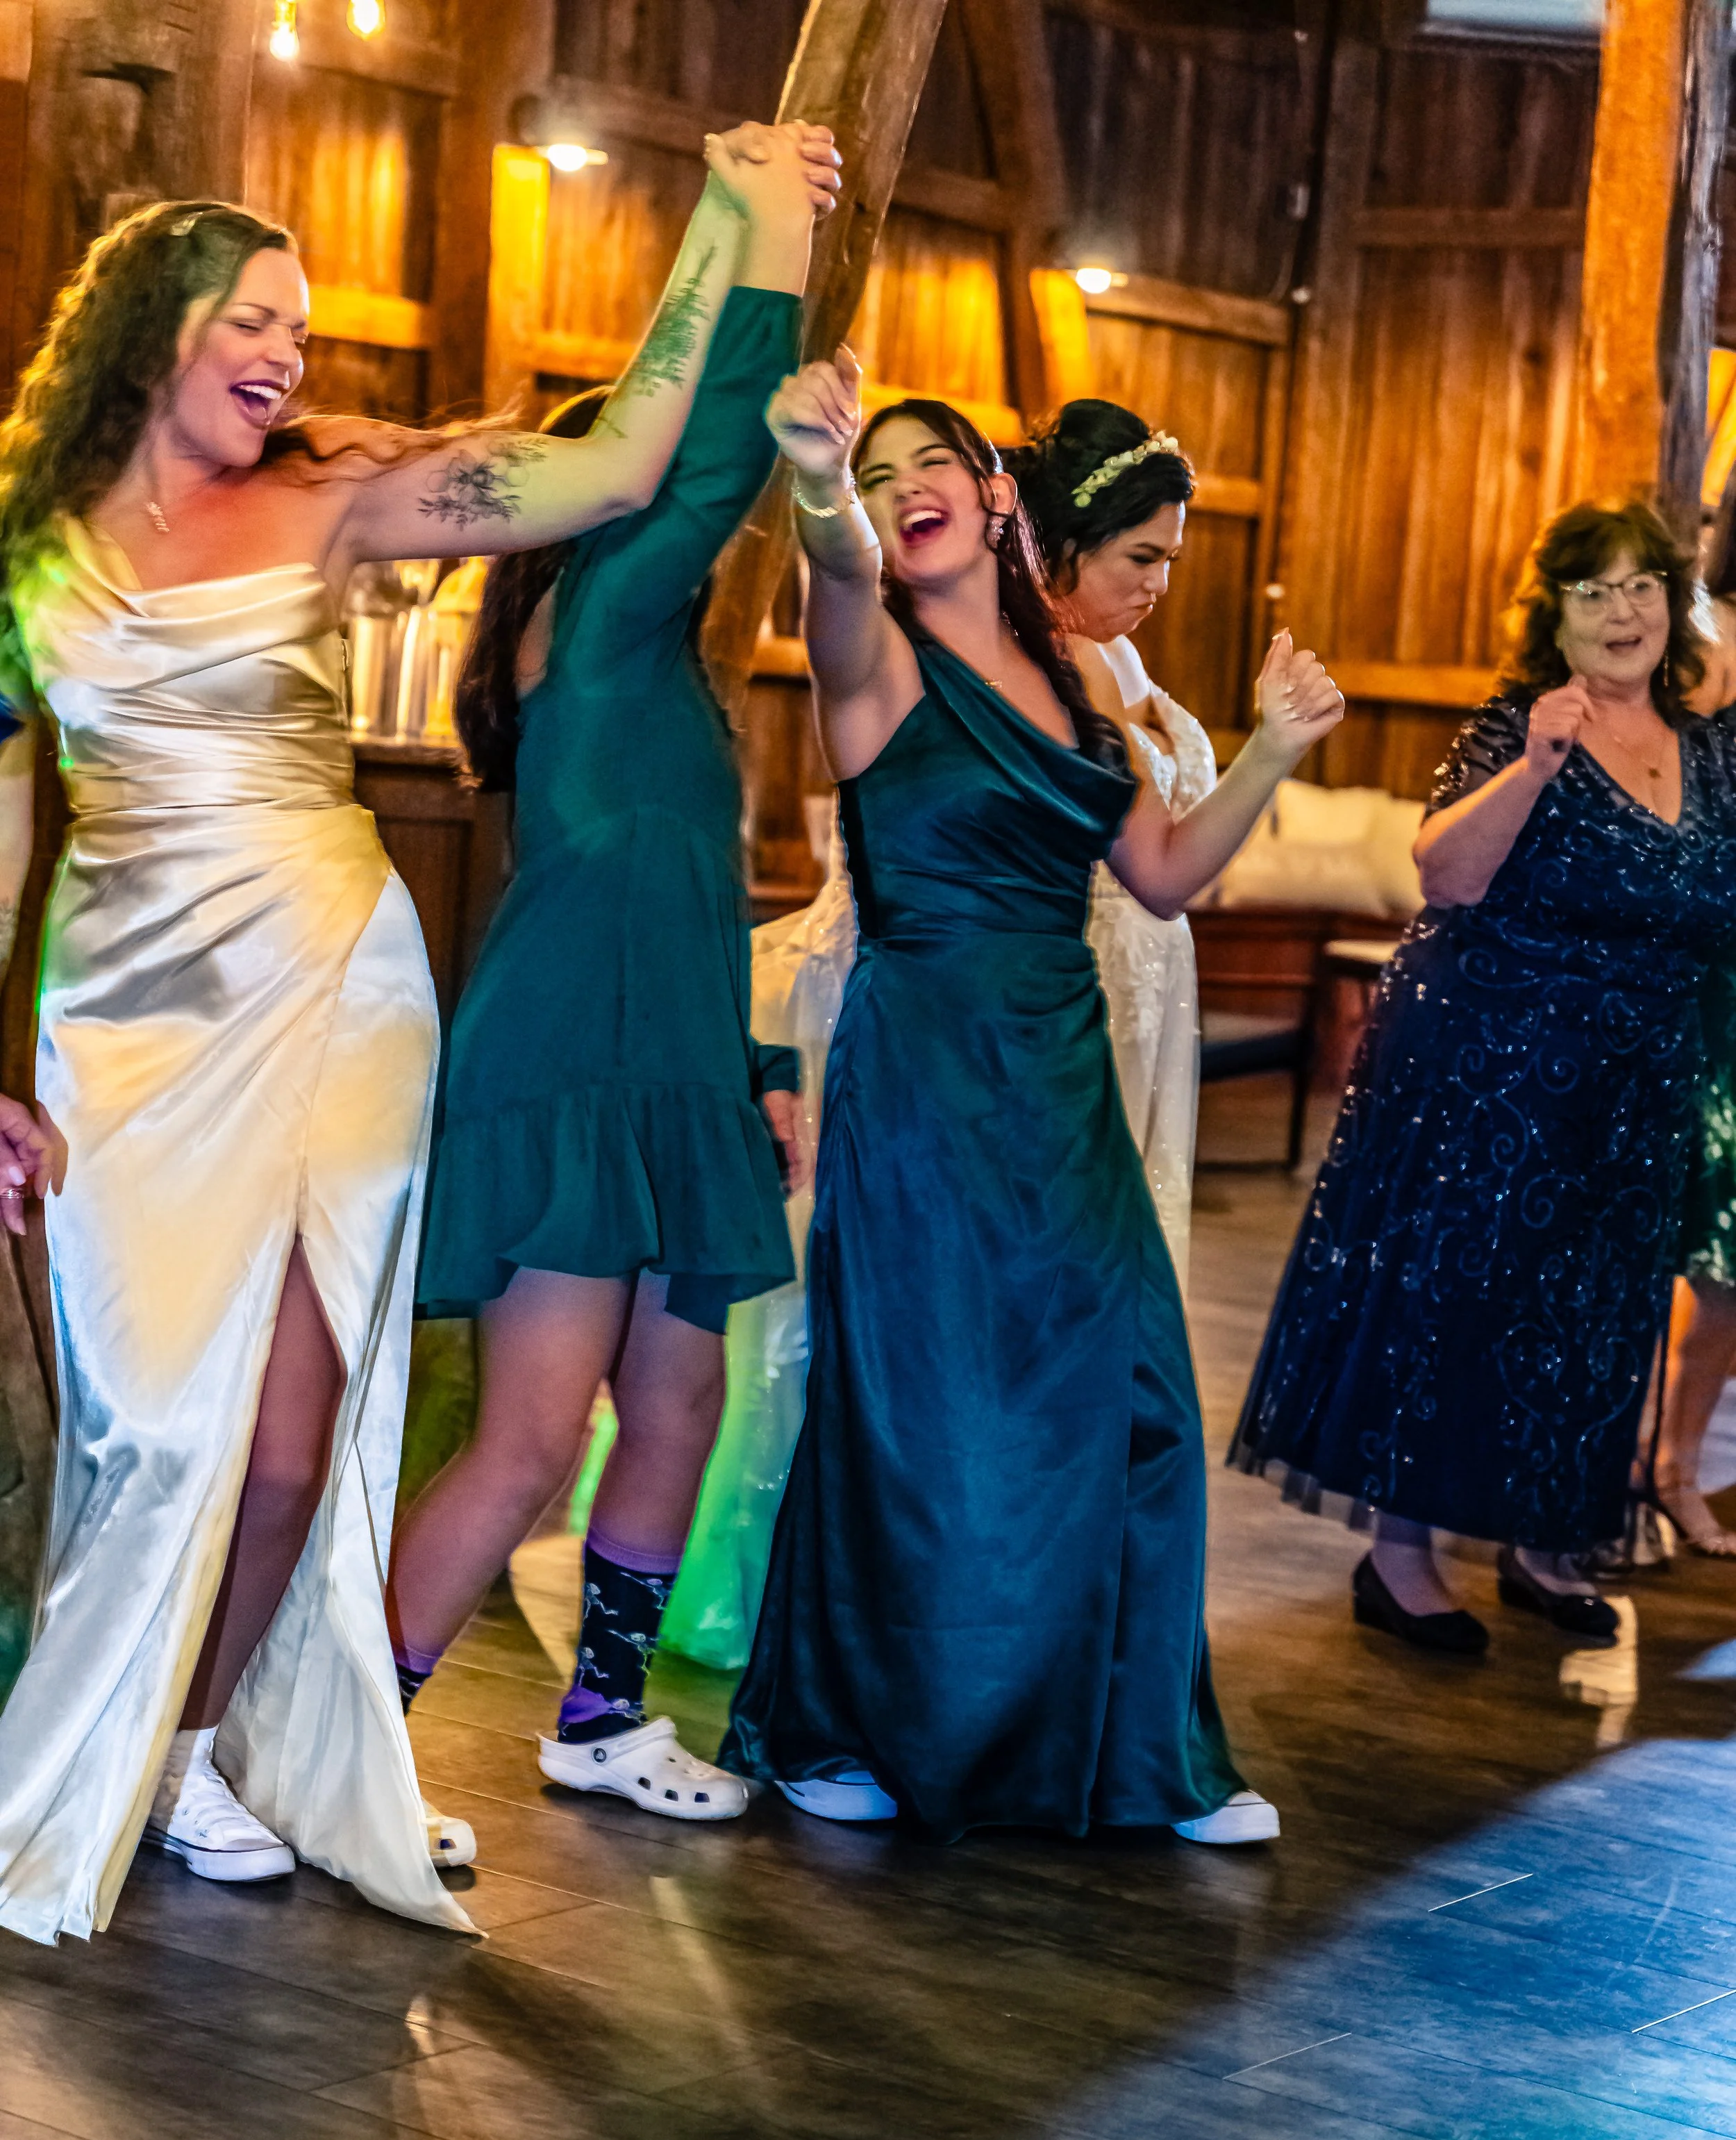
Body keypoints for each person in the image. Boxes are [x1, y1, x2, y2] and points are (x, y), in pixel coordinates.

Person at [0, 127, 839, 1946]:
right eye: (255, 319)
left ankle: (205, 1741)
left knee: (296, 1445)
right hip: (125, 1012)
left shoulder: (334, 491)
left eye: (302, 328)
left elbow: (623, 458)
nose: (289, 354)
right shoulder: (32, 552)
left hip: (335, 973)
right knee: (148, 1424)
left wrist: (726, 224)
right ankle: (102, 1727)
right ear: (153, 327)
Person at [719, 359, 1342, 1840]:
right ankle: (840, 1725)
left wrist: (1273, 743)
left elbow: (1168, 875)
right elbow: (828, 566)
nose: (899, 488)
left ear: (995, 497)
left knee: (1126, 1388)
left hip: (1055, 1062)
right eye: (878, 477)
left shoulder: (1068, 692)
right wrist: (817, 480)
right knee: (916, 1404)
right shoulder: (868, 655)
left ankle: (1141, 1748)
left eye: (924, 462)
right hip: (920, 1063)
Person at [387, 147, 833, 1824]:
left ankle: (600, 1712)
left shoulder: (644, 658)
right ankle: (357, 1737)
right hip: (571, 1062)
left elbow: (680, 910)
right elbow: (714, 450)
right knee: (527, 1437)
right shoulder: (593, 614)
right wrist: (768, 230)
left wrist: (749, 1065)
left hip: (666, 1066)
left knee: (682, 1394)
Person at [1231, 499, 1736, 1652]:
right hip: (1489, 1065)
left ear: (1675, 604)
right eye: (1593, 590)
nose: (1622, 611)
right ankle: (1400, 1559)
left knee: (1593, 1314)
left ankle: (1547, 1544)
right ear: (1553, 616)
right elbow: (1443, 877)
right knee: (1457, 1300)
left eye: (1642, 586)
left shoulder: (1713, 752)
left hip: (1638, 1080)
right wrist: (1542, 765)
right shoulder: (1517, 727)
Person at [1008, 399, 1210, 1286]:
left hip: (1144, 980)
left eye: (1168, 560)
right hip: (1088, 978)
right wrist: (1273, 748)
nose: (1158, 585)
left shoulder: (1115, 655)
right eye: (1140, 558)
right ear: (1064, 543)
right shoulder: (1057, 657)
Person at [1647, 486, 1736, 1557]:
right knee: (1714, 1258)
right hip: (1710, 979)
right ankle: (1663, 1458)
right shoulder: (1710, 638)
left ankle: (1667, 1454)